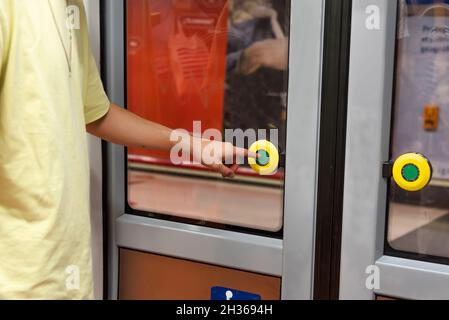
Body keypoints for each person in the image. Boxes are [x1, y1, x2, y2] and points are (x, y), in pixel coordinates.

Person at [0, 0, 249, 299]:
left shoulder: (72, 8)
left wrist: (196, 145)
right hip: (16, 281)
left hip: (64, 273)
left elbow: (95, 113)